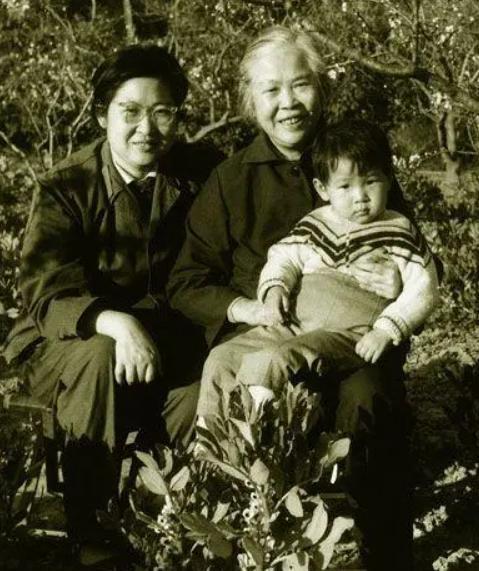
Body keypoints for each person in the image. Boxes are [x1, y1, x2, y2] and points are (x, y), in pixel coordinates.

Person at [167, 26, 420, 570]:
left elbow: (414, 253)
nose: (288, 103)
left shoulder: (356, 159)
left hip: (354, 343)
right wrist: (250, 308)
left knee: (367, 398)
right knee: (203, 402)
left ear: (321, 89)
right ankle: (225, 542)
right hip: (265, 342)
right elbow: (187, 282)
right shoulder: (229, 181)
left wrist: (396, 284)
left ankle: (379, 552)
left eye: (300, 85)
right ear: (250, 100)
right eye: (271, 90)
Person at [2, 45, 222, 564]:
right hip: (67, 345)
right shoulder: (67, 185)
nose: (147, 129)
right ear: (103, 115)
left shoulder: (199, 174)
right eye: (130, 111)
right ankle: (93, 535)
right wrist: (115, 322)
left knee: (203, 389)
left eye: (162, 112)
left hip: (162, 343)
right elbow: (46, 289)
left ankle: (161, 525)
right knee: (100, 354)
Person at [197, 119, 439, 410]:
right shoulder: (317, 222)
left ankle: (257, 431)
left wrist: (386, 330)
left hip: (346, 334)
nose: (360, 197)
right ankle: (210, 436)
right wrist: (275, 289)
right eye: (345, 186)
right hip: (295, 325)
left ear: (388, 178)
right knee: (222, 358)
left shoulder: (398, 229)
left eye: (371, 182)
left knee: (274, 361)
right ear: (323, 189)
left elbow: (423, 288)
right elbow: (284, 256)